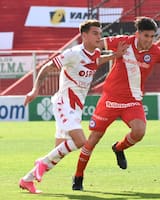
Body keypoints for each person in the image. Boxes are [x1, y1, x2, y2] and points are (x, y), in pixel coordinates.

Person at [72, 16, 160, 190]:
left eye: (152, 36)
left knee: (139, 131)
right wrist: (92, 56)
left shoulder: (156, 52)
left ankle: (118, 148)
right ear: (138, 34)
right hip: (110, 100)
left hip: (132, 101)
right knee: (93, 139)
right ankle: (78, 176)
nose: (149, 40)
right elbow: (97, 44)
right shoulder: (123, 42)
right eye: (146, 36)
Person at [19, 19, 127, 194]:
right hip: (64, 102)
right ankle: (40, 163)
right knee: (81, 141)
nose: (99, 36)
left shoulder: (95, 52)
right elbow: (47, 67)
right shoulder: (73, 53)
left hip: (76, 107)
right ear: (84, 35)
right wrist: (34, 90)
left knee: (58, 151)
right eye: (95, 33)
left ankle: (27, 180)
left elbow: (96, 61)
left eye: (100, 33)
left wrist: (114, 56)